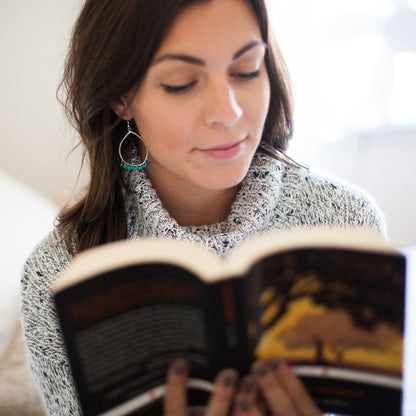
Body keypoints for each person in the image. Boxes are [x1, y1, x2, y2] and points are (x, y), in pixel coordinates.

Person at [20, 0, 386, 414]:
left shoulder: (345, 224)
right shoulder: (56, 276)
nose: (227, 113)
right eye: (181, 83)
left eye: (246, 70)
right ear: (121, 97)